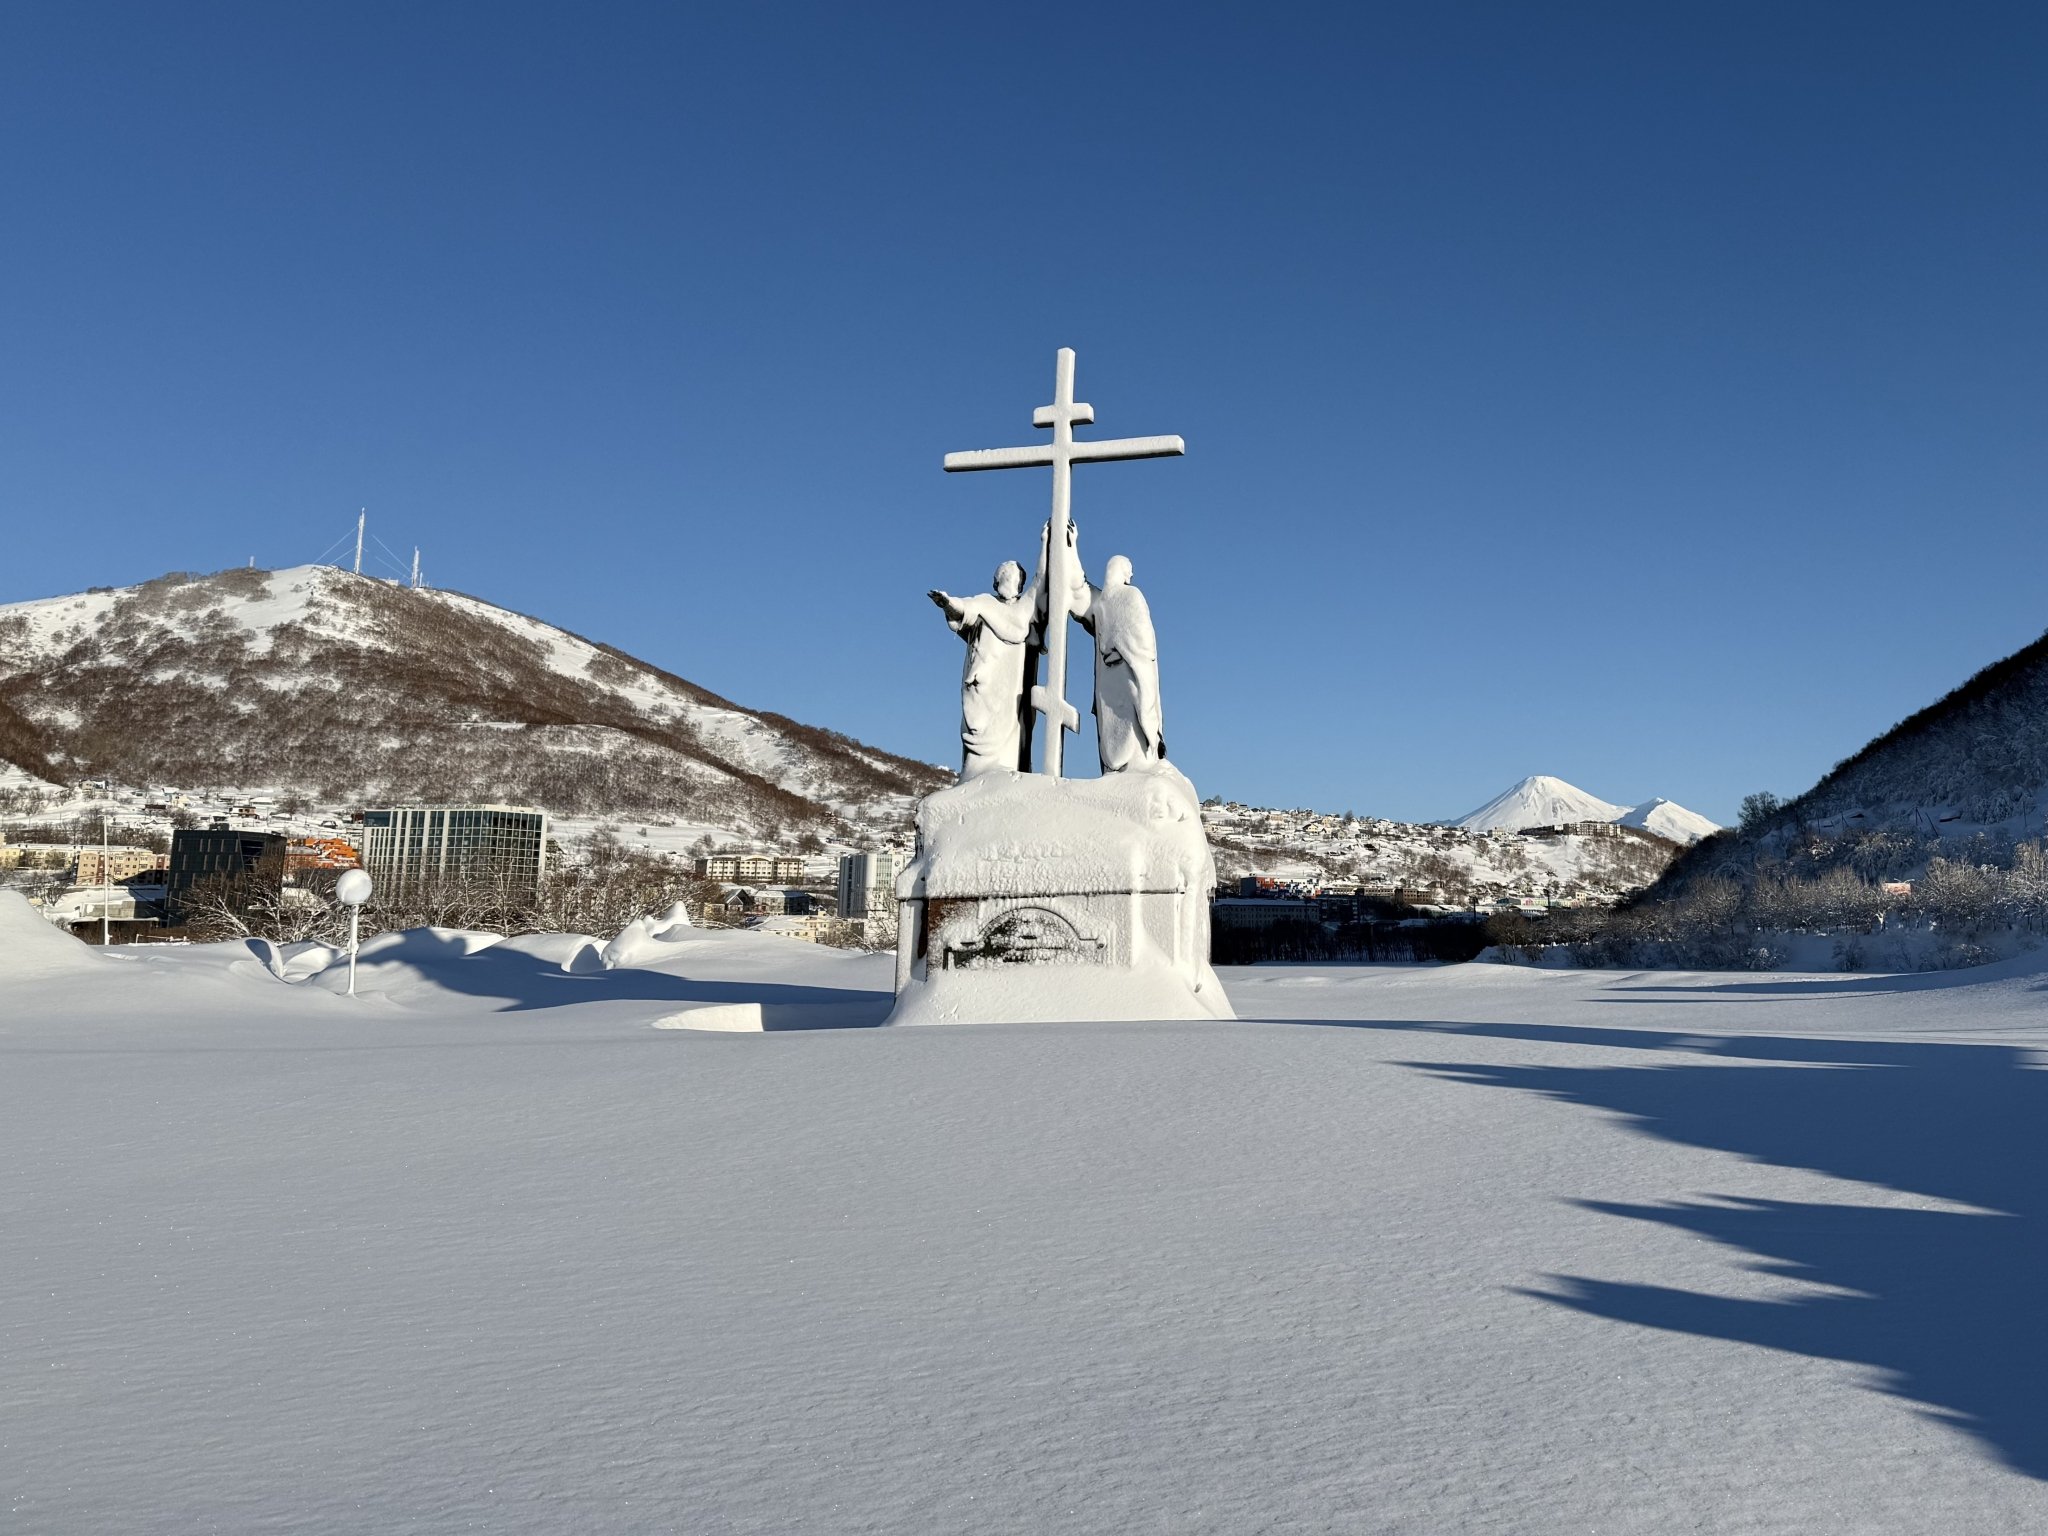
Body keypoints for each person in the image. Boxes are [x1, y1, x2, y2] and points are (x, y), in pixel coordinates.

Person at [928, 560, 1040, 777]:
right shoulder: (985, 603)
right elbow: (963, 608)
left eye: (1009, 577)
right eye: (1002, 577)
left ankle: (1002, 772)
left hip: (1008, 689)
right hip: (980, 683)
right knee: (977, 729)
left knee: (1008, 733)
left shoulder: (1024, 611)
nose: (1004, 582)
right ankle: (976, 774)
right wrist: (947, 603)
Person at [1074, 553, 1166, 773]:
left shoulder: (1112, 602)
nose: (1132, 574)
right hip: (1117, 679)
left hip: (1123, 675)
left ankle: (1134, 767)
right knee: (1119, 727)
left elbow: (1143, 641)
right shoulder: (1117, 599)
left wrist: (1117, 647)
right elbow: (1143, 642)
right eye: (1129, 569)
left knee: (1129, 727)